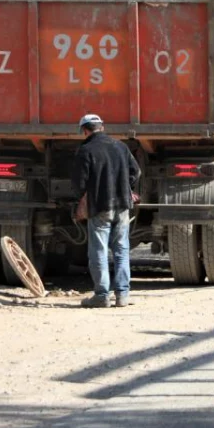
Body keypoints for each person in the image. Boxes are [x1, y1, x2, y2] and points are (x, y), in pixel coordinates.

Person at [72, 114, 140, 308]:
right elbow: (135, 172)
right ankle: (122, 296)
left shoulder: (86, 150)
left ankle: (101, 296)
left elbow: (79, 183)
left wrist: (83, 196)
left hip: (100, 206)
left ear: (85, 131)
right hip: (122, 205)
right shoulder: (120, 146)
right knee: (121, 249)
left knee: (99, 250)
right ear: (102, 127)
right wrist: (126, 188)